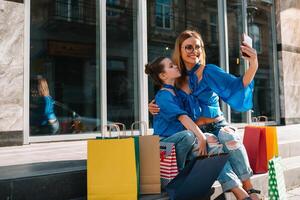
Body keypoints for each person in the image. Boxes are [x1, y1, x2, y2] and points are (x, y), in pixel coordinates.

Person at [149, 30, 260, 200]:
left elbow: (237, 86)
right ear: (179, 50)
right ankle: (239, 193)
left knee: (228, 136)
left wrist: (253, 64)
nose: (194, 51)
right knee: (210, 145)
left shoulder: (209, 71)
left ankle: (250, 188)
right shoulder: (175, 78)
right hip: (198, 131)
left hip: (218, 123)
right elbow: (167, 101)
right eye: (189, 47)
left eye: (198, 47)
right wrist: (152, 106)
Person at [145, 56, 207, 172]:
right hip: (164, 145)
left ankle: (194, 179)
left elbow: (192, 114)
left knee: (210, 143)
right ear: (163, 76)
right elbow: (183, 118)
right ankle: (178, 174)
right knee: (189, 136)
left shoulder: (178, 93)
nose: (176, 66)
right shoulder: (163, 96)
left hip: (178, 142)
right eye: (171, 66)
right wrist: (201, 137)